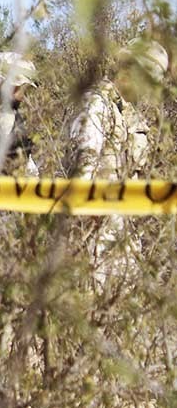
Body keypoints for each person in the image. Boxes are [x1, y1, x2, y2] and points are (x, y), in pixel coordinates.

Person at [68, 37, 168, 288]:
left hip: (123, 231)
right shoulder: (97, 104)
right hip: (96, 234)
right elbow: (83, 167)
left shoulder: (129, 114)